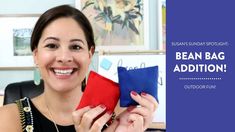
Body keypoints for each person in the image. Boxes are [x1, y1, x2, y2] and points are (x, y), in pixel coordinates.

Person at [0, 5, 158, 132]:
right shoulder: (6, 119)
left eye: (75, 46)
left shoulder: (118, 114)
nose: (64, 57)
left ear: (90, 54)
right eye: (52, 45)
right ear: (36, 55)